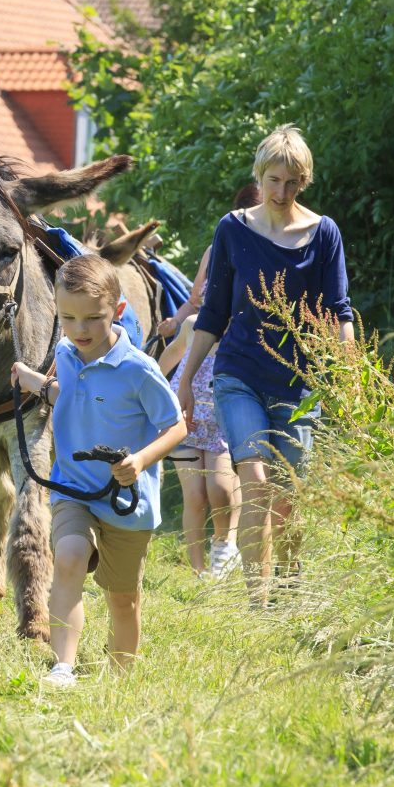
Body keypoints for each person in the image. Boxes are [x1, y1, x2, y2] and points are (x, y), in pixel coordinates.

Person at [178, 126, 353, 604]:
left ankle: (290, 586)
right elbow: (212, 312)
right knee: (253, 479)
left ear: (305, 181)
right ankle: (259, 602)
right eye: (274, 180)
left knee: (286, 493)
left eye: (293, 182)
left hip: (298, 382)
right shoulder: (233, 228)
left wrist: (350, 373)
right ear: (259, 176)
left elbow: (339, 310)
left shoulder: (324, 234)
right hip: (238, 375)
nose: (282, 192)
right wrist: (189, 379)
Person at [11, 255, 187, 687]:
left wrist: (142, 461)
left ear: (118, 312)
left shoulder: (138, 370)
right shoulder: (66, 355)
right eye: (68, 318)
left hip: (127, 503)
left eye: (93, 318)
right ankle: (63, 666)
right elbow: (66, 396)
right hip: (73, 488)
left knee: (123, 599)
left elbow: (177, 424)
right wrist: (34, 382)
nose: (80, 329)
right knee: (68, 557)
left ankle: (121, 677)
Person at [155, 184, 259, 578]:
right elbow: (170, 356)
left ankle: (224, 544)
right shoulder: (216, 256)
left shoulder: (244, 327)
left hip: (221, 407)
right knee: (194, 496)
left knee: (219, 486)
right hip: (187, 406)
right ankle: (202, 573)